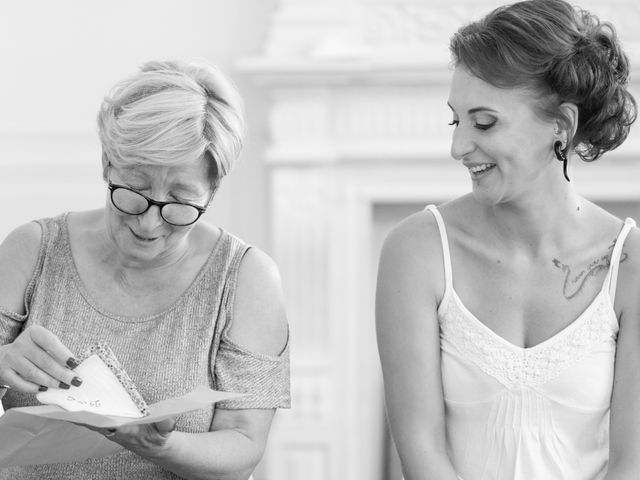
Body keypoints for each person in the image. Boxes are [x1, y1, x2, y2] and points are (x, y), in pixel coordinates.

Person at [376, 1, 638, 479]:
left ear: (561, 125)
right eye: (456, 120)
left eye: (485, 122)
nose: (458, 148)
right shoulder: (416, 250)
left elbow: (632, 465)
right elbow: (422, 453)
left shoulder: (630, 263)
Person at [0, 60, 290, 479]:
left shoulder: (247, 279)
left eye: (180, 201)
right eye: (134, 190)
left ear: (212, 191)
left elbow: (244, 446)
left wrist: (162, 446)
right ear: (106, 163)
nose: (149, 223)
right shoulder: (33, 250)